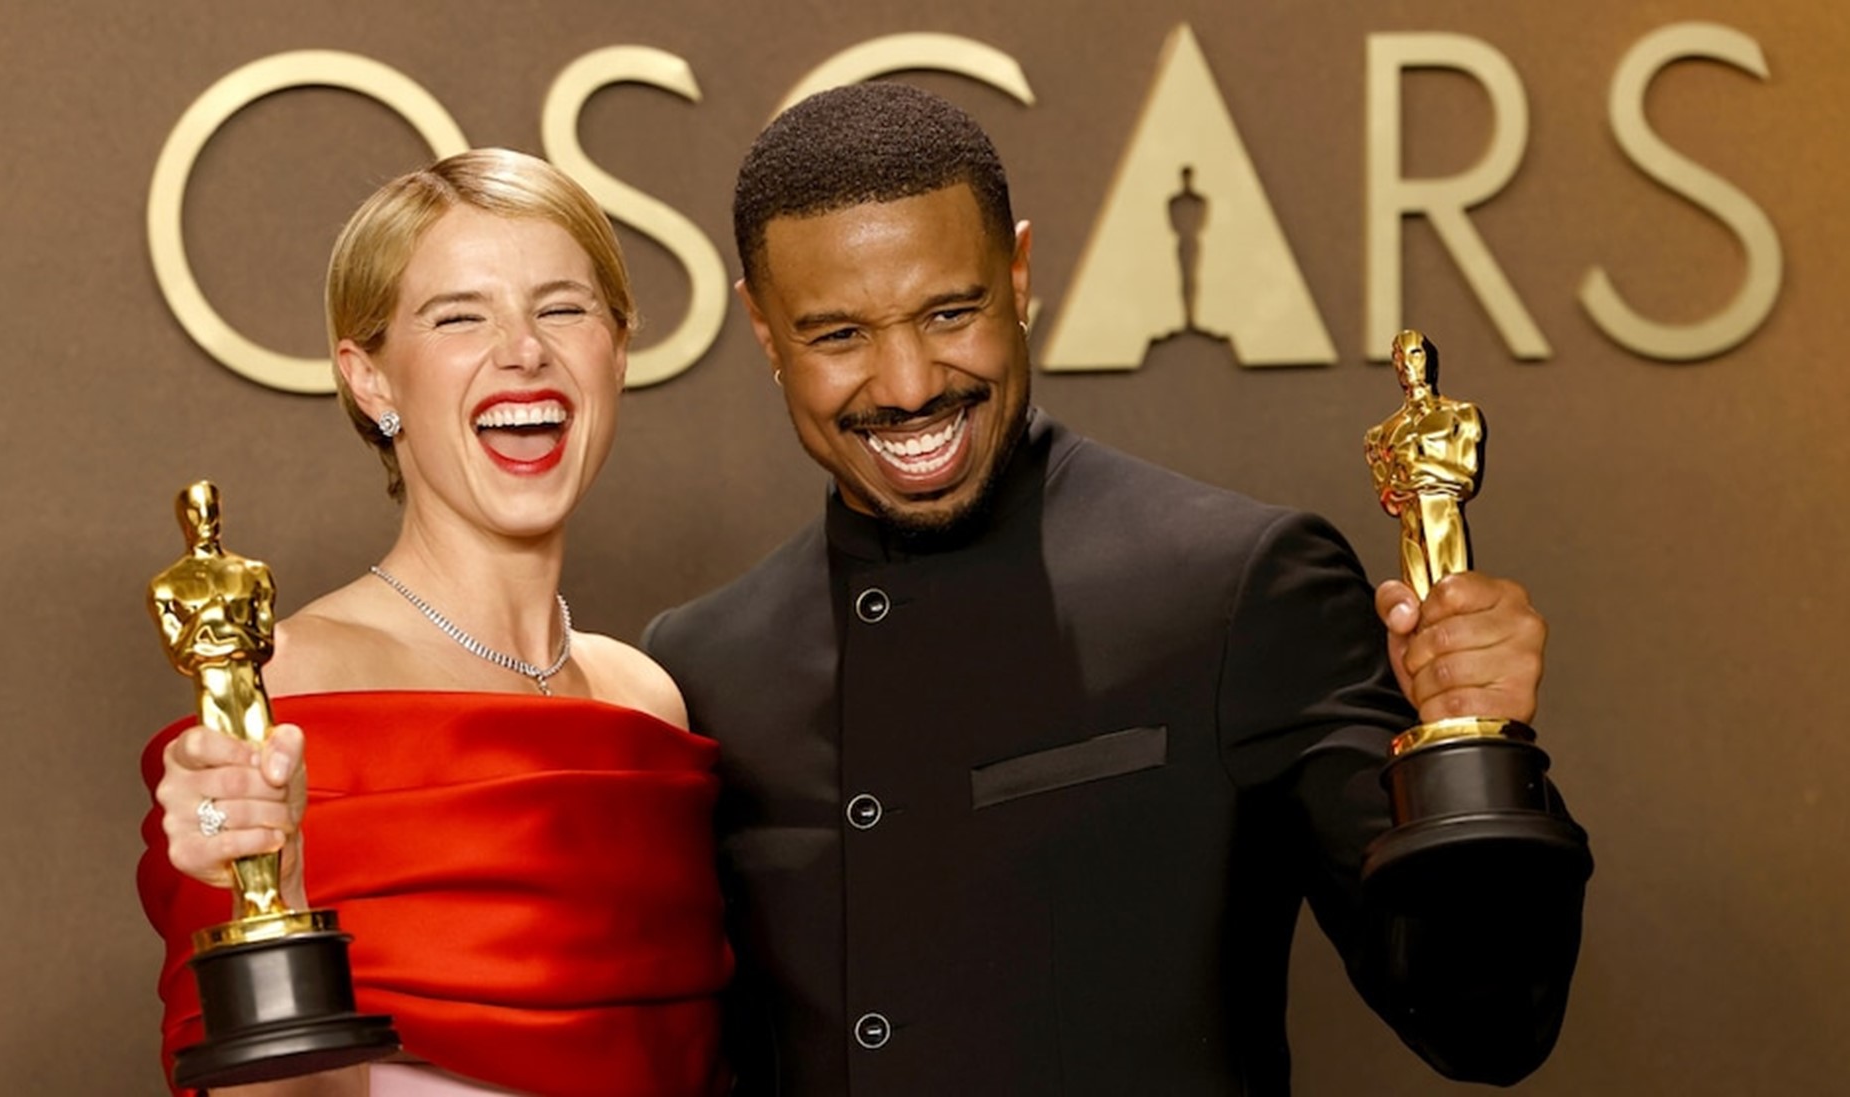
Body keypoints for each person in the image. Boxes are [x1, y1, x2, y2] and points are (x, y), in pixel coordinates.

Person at [641, 83, 1585, 1095]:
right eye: (838, 336)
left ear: (1018, 274)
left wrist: (1476, 745)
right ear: (763, 328)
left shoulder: (1238, 584)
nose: (909, 384)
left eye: (950, 312)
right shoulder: (699, 669)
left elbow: (1485, 1024)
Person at [139, 149, 730, 1097]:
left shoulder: (649, 699)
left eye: (562, 309)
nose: (523, 350)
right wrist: (260, 880)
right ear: (370, 379)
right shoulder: (284, 686)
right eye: (459, 316)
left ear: (618, 350)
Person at [1365, 330, 1485, 602]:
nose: (1406, 364)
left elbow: (1468, 477)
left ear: (1430, 359)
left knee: (1455, 601)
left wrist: (1418, 474)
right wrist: (1399, 487)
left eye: (1415, 353)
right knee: (1418, 611)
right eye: (1398, 357)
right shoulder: (1381, 433)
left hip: (1443, 514)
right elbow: (1387, 498)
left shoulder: (1462, 414)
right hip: (1410, 526)